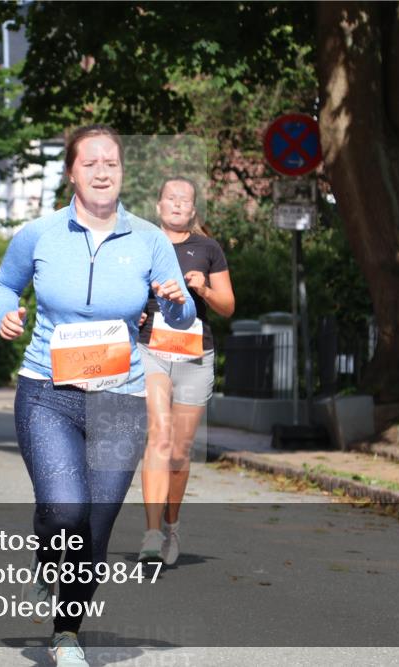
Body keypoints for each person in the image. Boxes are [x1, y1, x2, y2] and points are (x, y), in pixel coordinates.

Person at [0, 125, 195, 667]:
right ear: (71, 173)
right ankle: (47, 542)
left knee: (95, 531)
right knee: (65, 510)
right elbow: (4, 284)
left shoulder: (149, 239)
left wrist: (177, 301)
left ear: (123, 172)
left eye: (112, 163)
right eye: (91, 163)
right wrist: (3, 313)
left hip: (119, 399)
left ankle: (66, 633)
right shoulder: (38, 234)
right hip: (47, 391)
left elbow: (182, 316)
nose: (103, 172)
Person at [136, 177, 235, 565]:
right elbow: (123, 293)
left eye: (186, 200)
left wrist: (205, 290)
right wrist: (135, 310)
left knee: (179, 451)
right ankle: (150, 532)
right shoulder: (143, 245)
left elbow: (228, 306)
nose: (178, 205)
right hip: (152, 350)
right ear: (159, 205)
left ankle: (171, 525)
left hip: (194, 354)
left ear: (193, 211)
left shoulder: (208, 249)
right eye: (171, 198)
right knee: (158, 437)